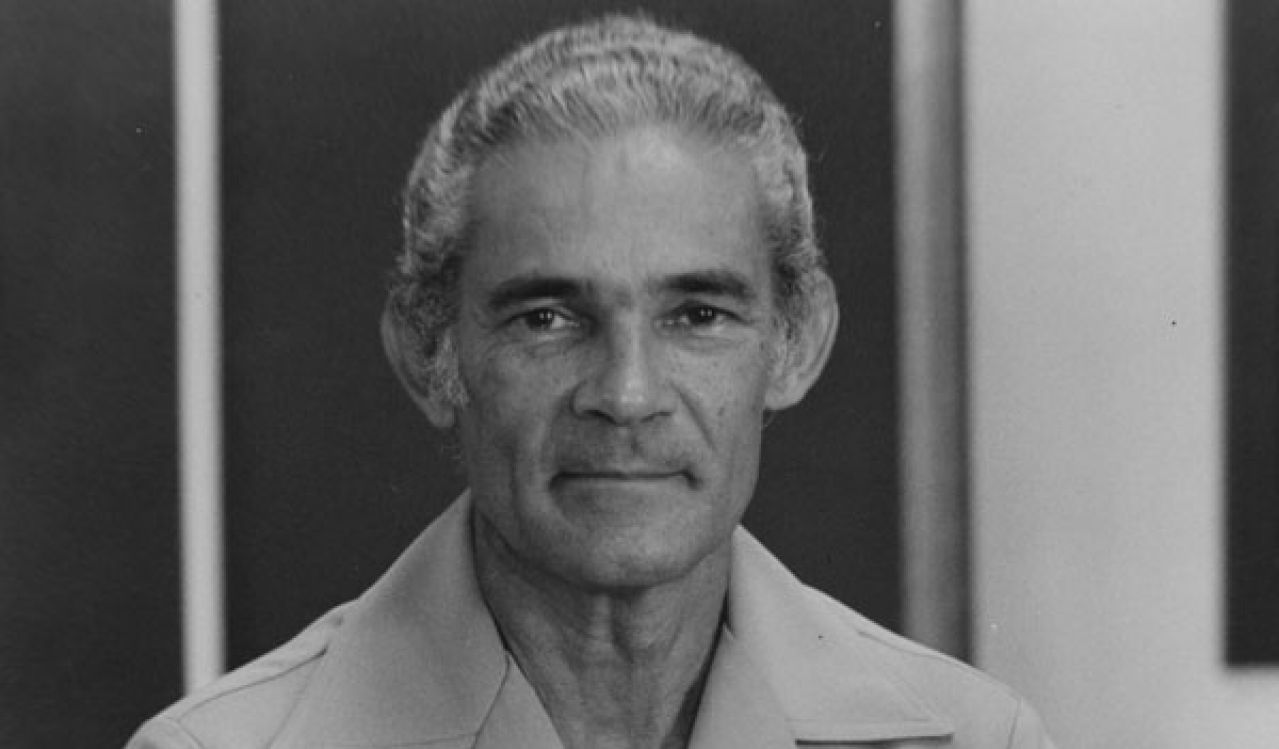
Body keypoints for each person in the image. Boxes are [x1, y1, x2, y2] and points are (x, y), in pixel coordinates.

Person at [129, 14, 1054, 749]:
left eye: (696, 314)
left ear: (796, 342)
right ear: (427, 352)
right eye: (548, 318)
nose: (626, 392)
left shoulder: (976, 740)